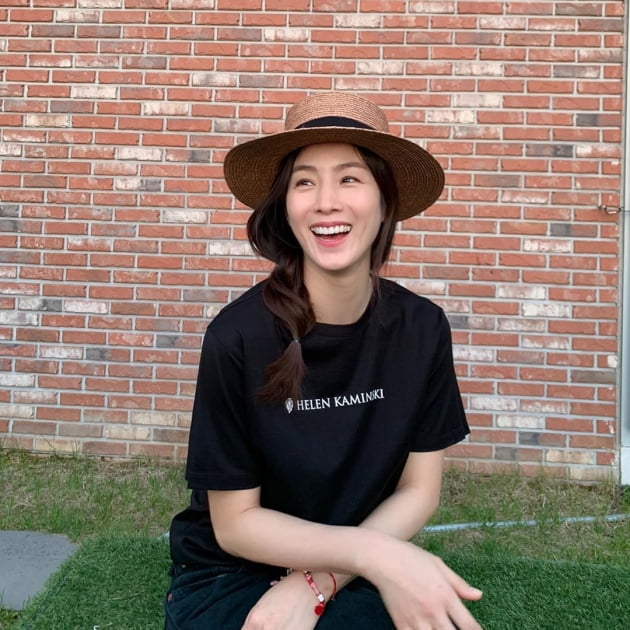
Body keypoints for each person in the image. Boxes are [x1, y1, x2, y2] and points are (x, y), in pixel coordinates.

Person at [165, 91, 483, 630]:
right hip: (234, 571)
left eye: (350, 178)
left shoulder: (423, 328)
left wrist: (322, 579)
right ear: (285, 206)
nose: (326, 202)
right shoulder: (236, 337)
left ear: (385, 199)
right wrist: (372, 556)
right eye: (305, 182)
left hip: (355, 563)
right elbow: (235, 523)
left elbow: (419, 490)